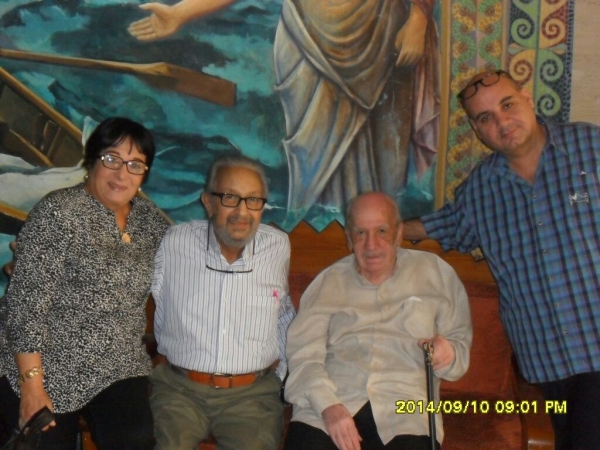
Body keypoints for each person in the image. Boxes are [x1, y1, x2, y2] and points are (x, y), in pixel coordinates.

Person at [403, 68, 600, 450]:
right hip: (544, 367)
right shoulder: (481, 189)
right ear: (477, 131)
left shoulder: (591, 147)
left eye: (507, 105)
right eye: (486, 117)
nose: (502, 122)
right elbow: (447, 225)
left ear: (527, 99)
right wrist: (384, 229)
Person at [0, 117, 169, 449]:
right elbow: (25, 308)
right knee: (45, 442)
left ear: (144, 173)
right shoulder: (57, 212)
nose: (122, 173)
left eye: (135, 164)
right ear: (92, 160)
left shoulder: (150, 223)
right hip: (46, 360)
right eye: (111, 159)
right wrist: (32, 387)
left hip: (119, 363)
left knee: (136, 440)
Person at [283, 192, 472, 450]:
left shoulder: (437, 274)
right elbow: (303, 357)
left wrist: (447, 353)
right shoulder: (328, 282)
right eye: (361, 233)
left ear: (398, 233)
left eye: (382, 231)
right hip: (330, 406)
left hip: (406, 413)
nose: (371, 245)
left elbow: (459, 349)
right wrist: (328, 406)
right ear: (349, 238)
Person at [149, 153, 296, 450]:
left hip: (252, 397)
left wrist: (281, 377)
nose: (242, 211)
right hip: (179, 391)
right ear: (208, 202)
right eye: (230, 197)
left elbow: (283, 312)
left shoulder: (277, 247)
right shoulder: (174, 242)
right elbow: (145, 298)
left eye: (253, 200)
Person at [274, 0, 440, 223]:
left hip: (383, 30)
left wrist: (420, 14)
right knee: (315, 154)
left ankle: (379, 228)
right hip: (310, 31)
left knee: (386, 163)